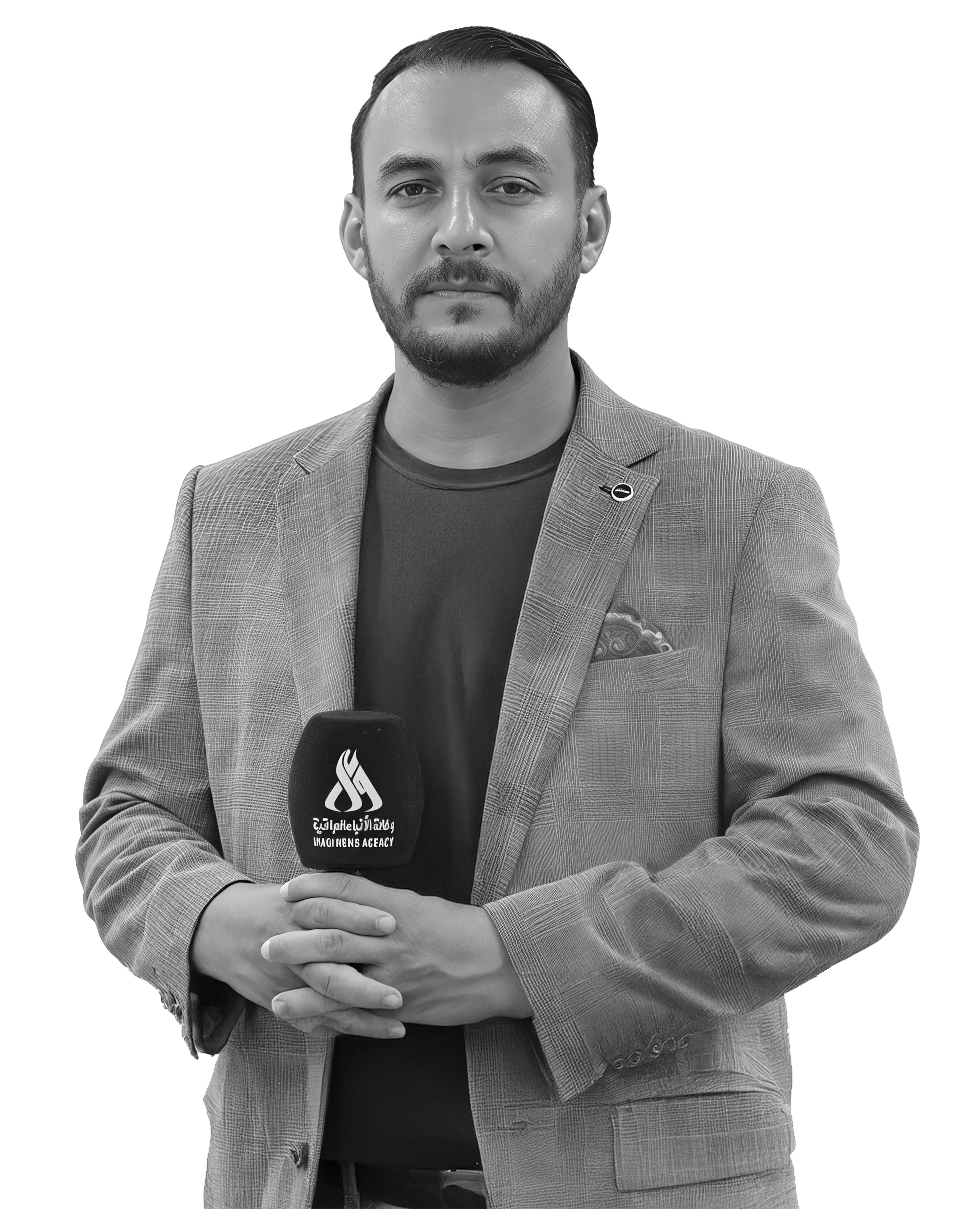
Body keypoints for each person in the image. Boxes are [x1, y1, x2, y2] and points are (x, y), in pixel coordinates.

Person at [77, 25, 918, 1210]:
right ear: (355, 228)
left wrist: (516, 961)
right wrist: (226, 924)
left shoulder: (740, 509)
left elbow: (846, 842)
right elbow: (129, 816)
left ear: (591, 223)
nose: (460, 228)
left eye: (511, 185)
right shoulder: (232, 510)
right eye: (414, 187)